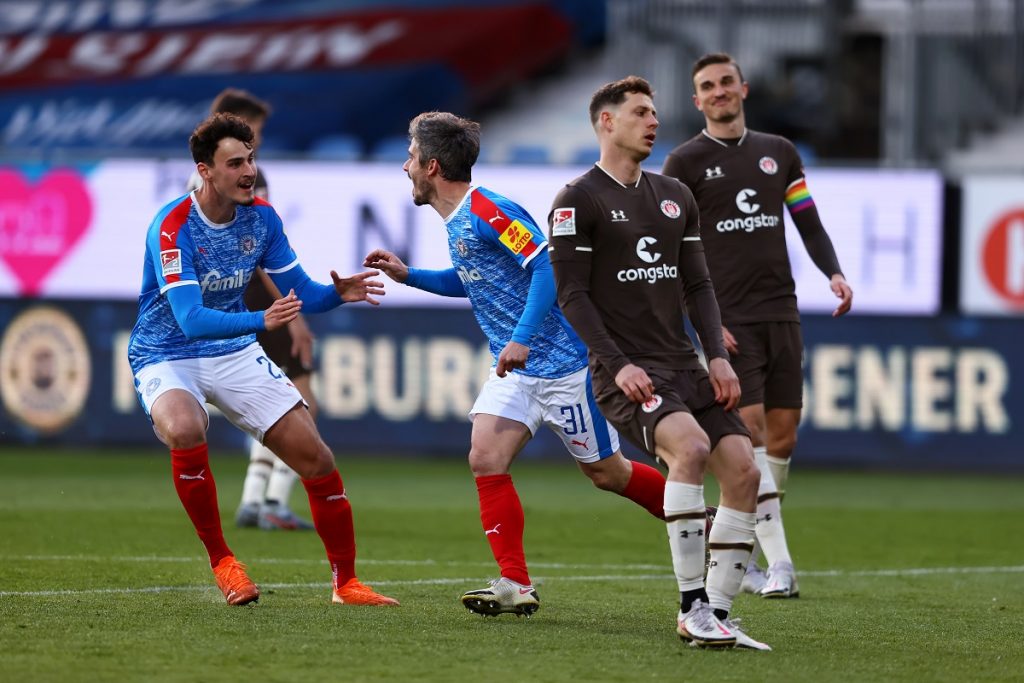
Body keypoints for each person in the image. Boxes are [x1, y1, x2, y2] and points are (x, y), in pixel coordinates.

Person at [364, 111, 670, 619]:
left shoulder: (488, 208)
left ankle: (702, 525)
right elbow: (475, 278)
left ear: (432, 166)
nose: (405, 167)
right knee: (484, 457)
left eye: (412, 157)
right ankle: (515, 583)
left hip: (566, 368)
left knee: (608, 474)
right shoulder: (459, 218)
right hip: (518, 374)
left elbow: (546, 266)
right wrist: (409, 275)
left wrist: (522, 338)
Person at [128, 112, 398, 607]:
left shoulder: (263, 217)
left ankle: (347, 584)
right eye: (235, 163)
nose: (248, 171)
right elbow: (190, 320)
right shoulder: (172, 226)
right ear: (205, 171)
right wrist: (261, 321)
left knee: (316, 459)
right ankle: (224, 562)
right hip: (166, 353)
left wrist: (339, 294)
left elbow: (303, 293)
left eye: (251, 159)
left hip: (232, 352)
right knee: (186, 428)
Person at [548, 76, 769, 650]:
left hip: (684, 364)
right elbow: (572, 294)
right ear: (607, 122)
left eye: (654, 113)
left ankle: (716, 613)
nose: (653, 122)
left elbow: (698, 283)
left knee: (745, 470)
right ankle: (690, 605)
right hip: (628, 370)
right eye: (641, 112)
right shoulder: (577, 199)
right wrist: (615, 362)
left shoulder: (675, 195)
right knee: (690, 450)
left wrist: (718, 359)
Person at [662, 53, 854, 598]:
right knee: (751, 436)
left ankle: (740, 537)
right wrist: (702, 326)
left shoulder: (780, 153)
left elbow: (808, 222)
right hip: (729, 321)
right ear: (697, 100)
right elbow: (672, 255)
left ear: (743, 89)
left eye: (727, 82)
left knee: (783, 438)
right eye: (707, 86)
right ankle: (779, 565)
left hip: (782, 311)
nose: (719, 91)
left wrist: (834, 273)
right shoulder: (684, 163)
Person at [187, 88, 316, 531]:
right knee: (296, 401)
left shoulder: (202, 182)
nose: (254, 143)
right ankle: (272, 500)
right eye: (251, 131)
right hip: (260, 299)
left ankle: (253, 498)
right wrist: (292, 313)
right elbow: (258, 255)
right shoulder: (241, 181)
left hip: (239, 299)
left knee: (277, 400)